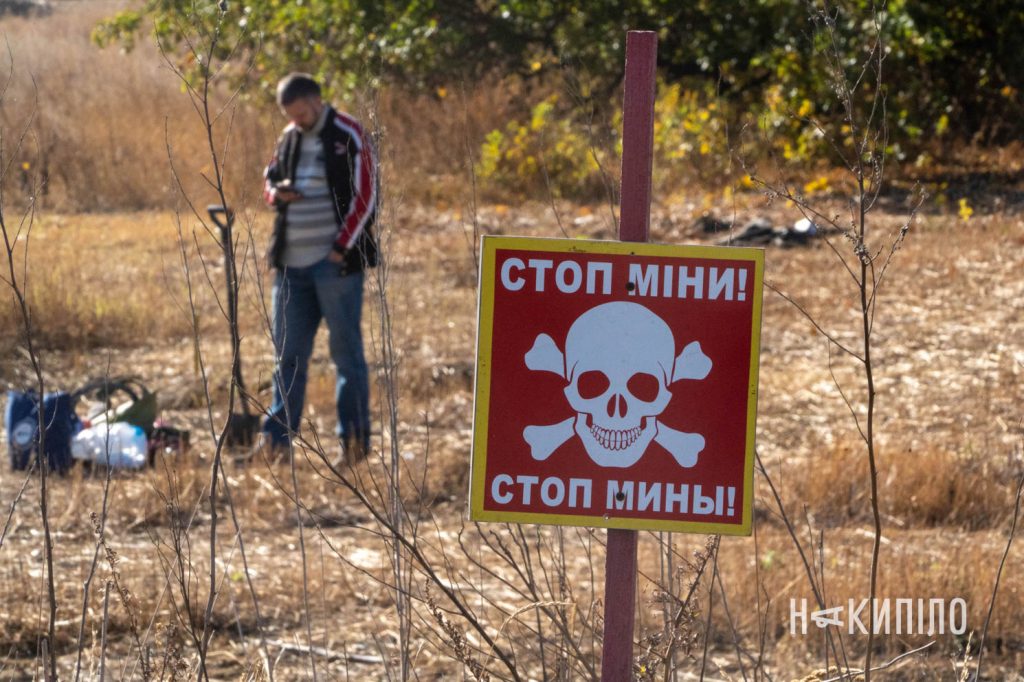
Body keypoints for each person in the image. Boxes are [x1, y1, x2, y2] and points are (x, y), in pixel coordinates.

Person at [259, 72, 378, 460]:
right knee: (287, 357)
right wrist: (277, 193)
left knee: (346, 357)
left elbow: (367, 195)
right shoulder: (289, 136)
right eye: (289, 115)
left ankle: (354, 445)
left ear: (315, 101)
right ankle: (277, 444)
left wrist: (342, 248)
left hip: (334, 267)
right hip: (291, 268)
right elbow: (270, 179)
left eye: (300, 114)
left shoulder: (349, 133)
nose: (296, 121)